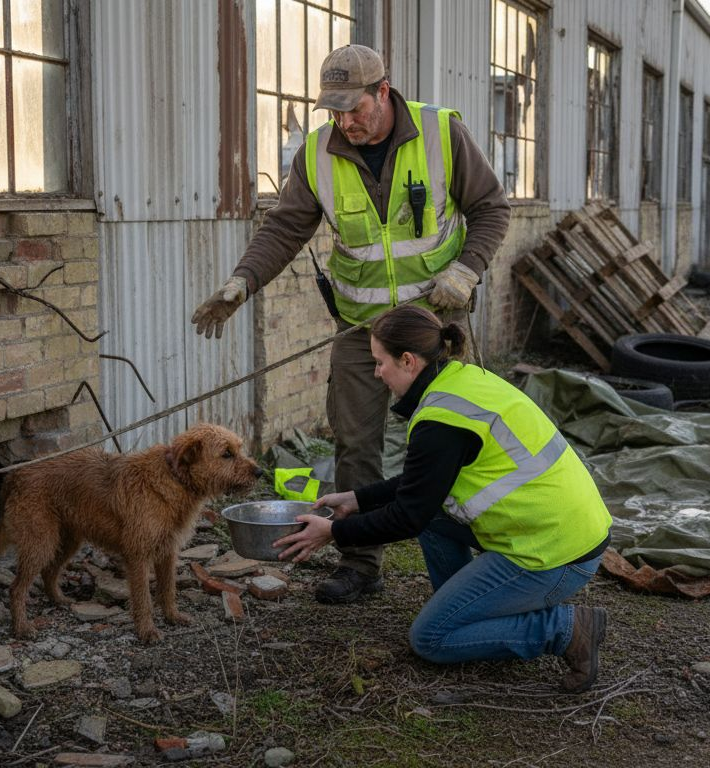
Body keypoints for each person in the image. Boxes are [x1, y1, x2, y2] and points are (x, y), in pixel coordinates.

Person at [190, 44, 511, 604]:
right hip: (362, 332)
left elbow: (492, 209)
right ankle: (361, 566)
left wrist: (467, 269)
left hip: (437, 324)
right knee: (355, 447)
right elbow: (285, 227)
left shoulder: (441, 134)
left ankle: (489, 554)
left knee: (461, 438)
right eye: (334, 111)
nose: (345, 122)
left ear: (383, 92)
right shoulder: (316, 154)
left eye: (355, 108)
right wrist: (240, 282)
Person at [273, 305, 613, 693]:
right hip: (563, 532)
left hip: (554, 555)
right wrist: (358, 498)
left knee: (430, 638)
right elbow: (426, 484)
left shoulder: (440, 421)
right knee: (436, 517)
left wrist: (334, 531)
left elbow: (409, 515)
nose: (375, 372)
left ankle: (565, 630)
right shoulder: (458, 381)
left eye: (380, 362)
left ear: (407, 360)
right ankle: (470, 610)